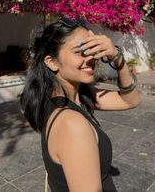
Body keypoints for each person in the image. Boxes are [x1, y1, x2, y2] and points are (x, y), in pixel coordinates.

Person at [20, 18, 141, 192]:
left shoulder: (78, 96)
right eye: (80, 51)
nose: (91, 58)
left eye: (92, 50)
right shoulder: (72, 124)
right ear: (51, 62)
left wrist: (117, 58)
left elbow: (130, 100)